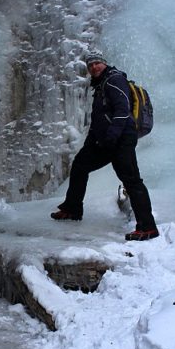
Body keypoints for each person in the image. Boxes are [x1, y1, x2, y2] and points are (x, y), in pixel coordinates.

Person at [51, 53, 159, 241]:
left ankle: (148, 227)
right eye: (90, 65)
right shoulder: (101, 86)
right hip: (105, 141)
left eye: (97, 63)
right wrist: (91, 143)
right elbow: (99, 121)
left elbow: (122, 111)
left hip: (120, 140)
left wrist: (112, 137)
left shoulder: (114, 80)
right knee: (79, 166)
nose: (94, 67)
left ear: (105, 64)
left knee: (132, 181)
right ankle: (72, 208)